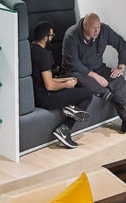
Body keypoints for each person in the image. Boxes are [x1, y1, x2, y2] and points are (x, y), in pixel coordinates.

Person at [62, 13, 126, 136]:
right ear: (84, 26)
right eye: (93, 28)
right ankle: (111, 97)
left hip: (98, 68)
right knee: (83, 78)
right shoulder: (71, 35)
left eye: (98, 27)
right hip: (76, 71)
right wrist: (95, 76)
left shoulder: (104, 30)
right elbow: (74, 63)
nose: (96, 31)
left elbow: (123, 45)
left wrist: (121, 67)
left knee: (120, 80)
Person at [29, 21, 94, 149]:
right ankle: (64, 130)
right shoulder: (44, 55)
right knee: (87, 94)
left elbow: (45, 79)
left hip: (37, 95)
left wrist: (65, 80)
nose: (52, 38)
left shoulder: (32, 49)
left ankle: (71, 108)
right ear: (45, 37)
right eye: (51, 36)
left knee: (75, 83)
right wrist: (66, 85)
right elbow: (49, 86)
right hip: (46, 99)